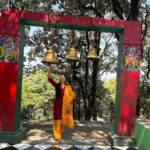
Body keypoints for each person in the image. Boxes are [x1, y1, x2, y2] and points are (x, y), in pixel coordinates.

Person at [48, 70, 75, 143]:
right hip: (57, 105)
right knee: (57, 120)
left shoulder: (68, 87)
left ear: (65, 79)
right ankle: (57, 136)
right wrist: (49, 67)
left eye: (63, 77)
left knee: (63, 122)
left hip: (65, 106)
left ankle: (59, 134)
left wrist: (69, 105)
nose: (62, 78)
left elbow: (72, 97)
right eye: (61, 77)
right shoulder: (57, 85)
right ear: (59, 79)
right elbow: (50, 79)